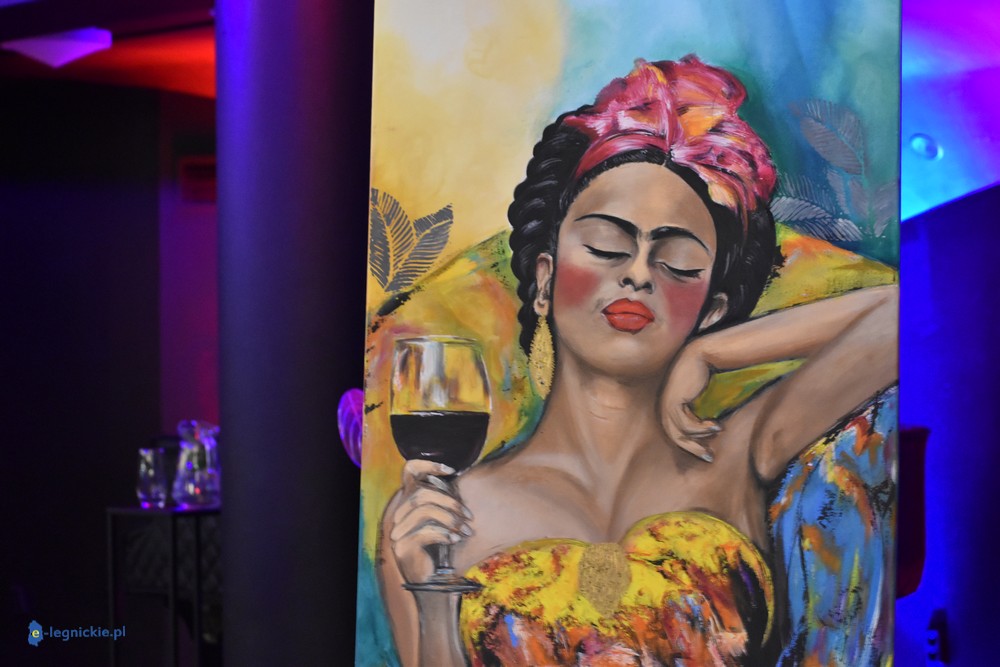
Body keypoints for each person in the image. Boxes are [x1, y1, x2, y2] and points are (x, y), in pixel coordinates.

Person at [379, 55, 897, 666]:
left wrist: (715, 351)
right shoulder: (442, 513)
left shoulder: (740, 453)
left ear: (711, 306)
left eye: (678, 262)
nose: (637, 274)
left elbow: (898, 310)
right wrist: (431, 599)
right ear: (544, 280)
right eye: (606, 245)